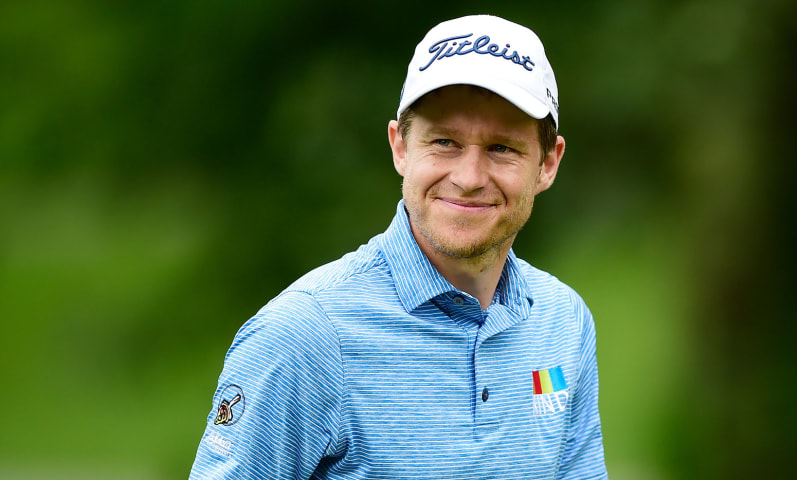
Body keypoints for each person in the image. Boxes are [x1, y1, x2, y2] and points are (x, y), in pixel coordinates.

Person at [190, 14, 607, 479]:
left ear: (548, 164)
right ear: (400, 148)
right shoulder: (305, 336)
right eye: (444, 142)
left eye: (502, 148)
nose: (469, 178)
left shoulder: (563, 321)